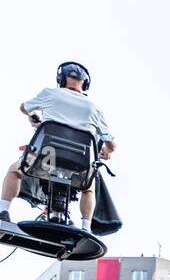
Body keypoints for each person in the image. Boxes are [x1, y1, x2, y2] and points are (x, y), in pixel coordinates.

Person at [1, 62, 115, 231]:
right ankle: (86, 227)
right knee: (89, 188)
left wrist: (32, 116)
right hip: (79, 166)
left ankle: (3, 213)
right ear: (85, 83)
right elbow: (111, 143)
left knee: (14, 171)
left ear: (61, 79)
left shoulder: (50, 94)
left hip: (46, 158)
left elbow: (23, 107)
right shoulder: (95, 109)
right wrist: (106, 152)